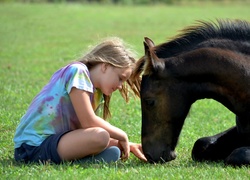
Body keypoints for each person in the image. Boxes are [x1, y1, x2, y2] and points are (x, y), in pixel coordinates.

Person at [14, 37, 147, 164]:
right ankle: (84, 160)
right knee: (101, 136)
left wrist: (126, 145)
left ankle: (85, 160)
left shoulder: (96, 92)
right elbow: (88, 121)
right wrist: (122, 136)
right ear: (105, 66)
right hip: (32, 147)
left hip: (54, 143)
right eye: (120, 78)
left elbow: (82, 130)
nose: (120, 86)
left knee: (103, 139)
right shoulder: (78, 71)